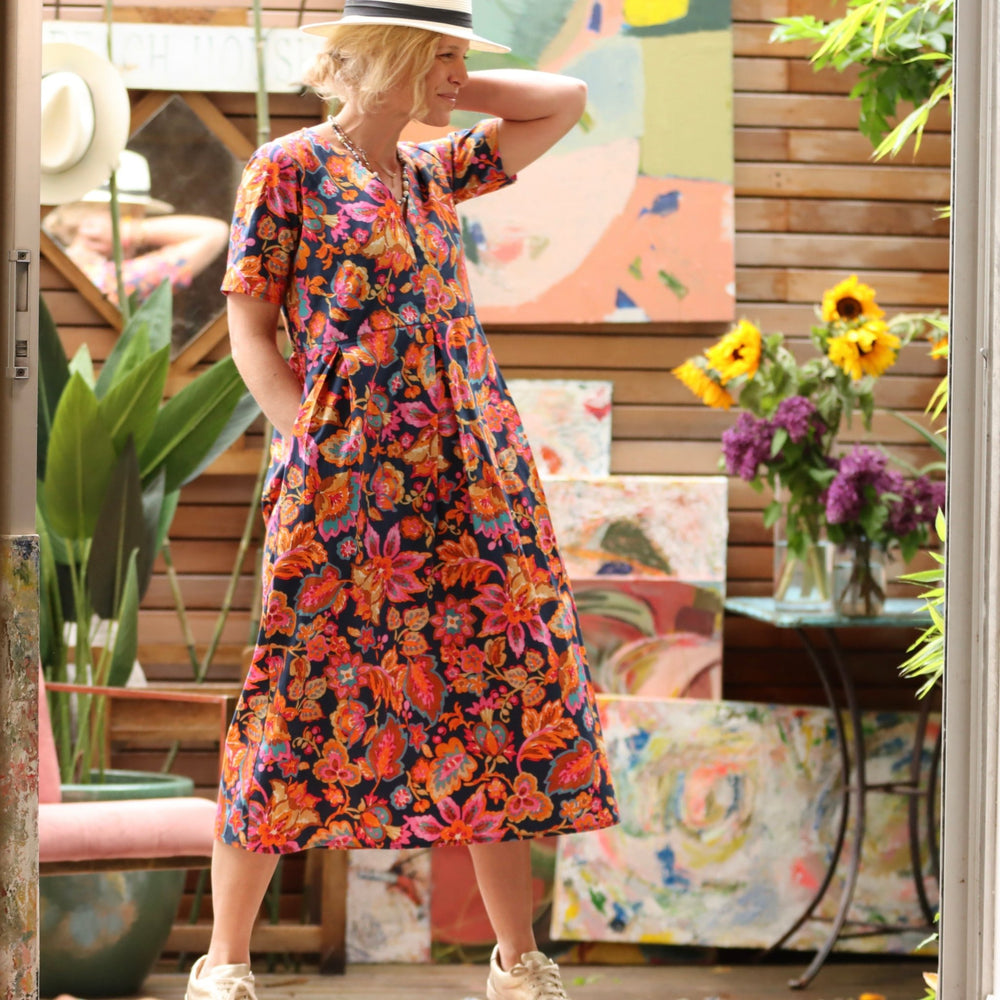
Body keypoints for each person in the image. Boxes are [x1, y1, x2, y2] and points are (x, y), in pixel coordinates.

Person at [186, 3, 619, 999]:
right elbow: (250, 326)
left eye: (461, 60)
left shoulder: (432, 171)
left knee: (496, 701)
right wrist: (305, 436)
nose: (458, 76)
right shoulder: (289, 168)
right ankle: (227, 961)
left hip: (471, 479)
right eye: (444, 57)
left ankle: (517, 961)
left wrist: (441, 81)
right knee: (295, 700)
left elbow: (564, 98)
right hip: (343, 485)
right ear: (390, 57)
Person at [44, 149, 229, 307]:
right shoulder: (116, 281)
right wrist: (131, 232)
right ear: (91, 223)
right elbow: (214, 232)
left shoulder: (48, 266)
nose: (135, 229)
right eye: (129, 218)